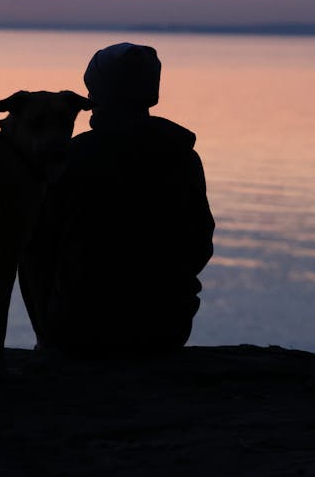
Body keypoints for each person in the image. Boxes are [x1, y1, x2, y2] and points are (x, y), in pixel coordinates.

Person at [19, 42, 215, 356]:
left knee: (27, 238)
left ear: (96, 94)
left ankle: (47, 342)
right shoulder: (181, 156)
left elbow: (39, 247)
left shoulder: (70, 159)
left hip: (79, 328)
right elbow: (200, 245)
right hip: (166, 328)